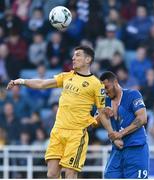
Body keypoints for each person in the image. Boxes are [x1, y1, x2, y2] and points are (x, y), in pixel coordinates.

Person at [6, 45, 107, 178]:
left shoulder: (96, 84)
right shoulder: (67, 76)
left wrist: (98, 124)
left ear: (88, 59)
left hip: (76, 133)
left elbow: (102, 110)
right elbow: (42, 84)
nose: (73, 58)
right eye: (73, 55)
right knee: (52, 174)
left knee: (70, 173)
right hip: (58, 130)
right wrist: (22, 81)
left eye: (77, 55)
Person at [98, 71, 149, 179]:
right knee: (109, 176)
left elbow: (142, 118)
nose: (105, 91)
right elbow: (94, 123)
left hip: (136, 148)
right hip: (117, 150)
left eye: (107, 87)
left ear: (115, 82)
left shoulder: (132, 94)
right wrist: (102, 114)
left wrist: (121, 134)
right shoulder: (104, 102)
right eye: (103, 89)